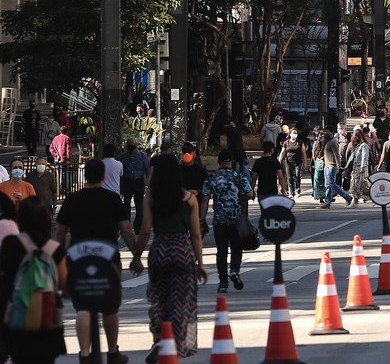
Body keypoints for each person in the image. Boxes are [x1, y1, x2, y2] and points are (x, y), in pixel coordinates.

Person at [56, 158, 141, 364]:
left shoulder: (72, 199)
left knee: (83, 307)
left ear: (85, 176)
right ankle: (113, 352)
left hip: (78, 257)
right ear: (103, 176)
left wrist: (60, 258)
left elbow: (61, 233)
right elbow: (127, 229)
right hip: (108, 258)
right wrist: (135, 256)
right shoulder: (112, 199)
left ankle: (84, 354)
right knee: (111, 308)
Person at [132, 156, 207, 361]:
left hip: (160, 250)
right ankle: (180, 343)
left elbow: (145, 230)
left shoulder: (151, 197)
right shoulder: (189, 199)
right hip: (182, 251)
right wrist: (200, 263)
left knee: (158, 297)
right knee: (183, 300)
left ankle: (159, 338)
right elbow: (195, 234)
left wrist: (136, 256)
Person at [1, 196, 68, 364]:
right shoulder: (56, 250)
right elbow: (64, 286)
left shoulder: (11, 244)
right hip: (47, 322)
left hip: (17, 321)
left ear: (20, 218)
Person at [199, 149, 254, 294]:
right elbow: (250, 194)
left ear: (218, 162)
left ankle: (223, 282)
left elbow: (204, 200)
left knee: (221, 251)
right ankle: (234, 271)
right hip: (236, 220)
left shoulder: (212, 178)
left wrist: (202, 219)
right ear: (233, 162)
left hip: (219, 220)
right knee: (236, 248)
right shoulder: (238, 176)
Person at [120, 137, 151, 232]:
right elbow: (121, 171)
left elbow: (147, 170)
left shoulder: (142, 156)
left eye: (133, 144)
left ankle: (137, 227)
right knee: (126, 205)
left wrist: (146, 184)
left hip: (139, 181)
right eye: (130, 144)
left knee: (139, 206)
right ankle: (127, 227)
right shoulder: (124, 156)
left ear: (137, 145)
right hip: (127, 181)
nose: (132, 147)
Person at [321, 130, 352, 208]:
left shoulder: (333, 142)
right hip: (327, 165)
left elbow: (336, 154)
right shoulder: (327, 141)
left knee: (331, 184)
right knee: (328, 185)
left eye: (327, 133)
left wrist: (338, 165)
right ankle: (327, 202)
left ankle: (347, 197)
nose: (325, 135)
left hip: (332, 166)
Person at [345, 130, 372, 205]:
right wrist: (346, 166)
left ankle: (356, 201)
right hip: (356, 168)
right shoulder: (357, 147)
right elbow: (351, 157)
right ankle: (356, 201)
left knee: (361, 185)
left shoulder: (364, 146)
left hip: (361, 168)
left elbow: (365, 156)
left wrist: (363, 166)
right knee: (358, 185)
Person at [278, 127, 306, 198]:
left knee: (297, 176)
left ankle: (297, 190)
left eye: (296, 133)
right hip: (288, 162)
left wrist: (305, 162)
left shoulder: (300, 142)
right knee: (289, 177)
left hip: (298, 162)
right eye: (293, 133)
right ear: (290, 134)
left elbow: (304, 153)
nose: (294, 134)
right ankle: (291, 191)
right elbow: (283, 152)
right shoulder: (286, 142)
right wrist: (279, 160)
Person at [49, 126, 72, 194]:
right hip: (63, 159)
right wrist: (68, 159)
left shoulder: (55, 138)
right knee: (63, 174)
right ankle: (62, 188)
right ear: (67, 132)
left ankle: (56, 188)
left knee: (57, 174)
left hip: (57, 159)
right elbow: (68, 150)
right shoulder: (67, 138)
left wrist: (56, 155)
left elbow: (51, 148)